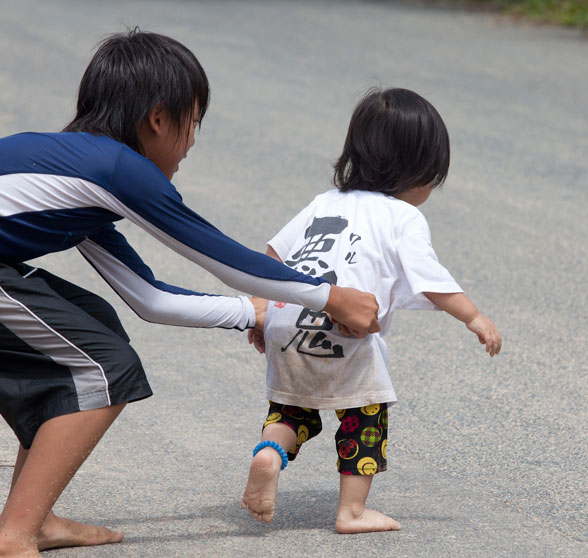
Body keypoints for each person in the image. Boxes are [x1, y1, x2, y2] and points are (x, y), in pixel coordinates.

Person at [0, 30, 380, 558]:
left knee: (93, 323)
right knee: (103, 367)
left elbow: (148, 298)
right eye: (193, 122)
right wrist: (329, 296)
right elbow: (226, 260)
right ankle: (15, 536)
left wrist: (251, 313)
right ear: (158, 118)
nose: (193, 142)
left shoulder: (75, 172)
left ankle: (32, 519)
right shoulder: (119, 169)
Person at [241, 87, 502, 534]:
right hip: (349, 335)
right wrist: (474, 317)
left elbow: (272, 255)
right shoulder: (404, 216)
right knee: (364, 417)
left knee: (291, 411)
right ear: (421, 171)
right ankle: (352, 512)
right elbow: (431, 279)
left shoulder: (325, 201)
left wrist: (261, 312)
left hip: (288, 326)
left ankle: (270, 454)